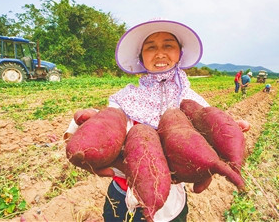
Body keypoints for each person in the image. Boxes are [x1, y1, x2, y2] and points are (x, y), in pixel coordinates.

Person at [64, 19, 211, 222]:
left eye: (168, 45)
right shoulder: (124, 99)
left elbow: (206, 140)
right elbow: (104, 128)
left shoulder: (192, 102)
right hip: (122, 195)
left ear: (180, 53)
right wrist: (83, 130)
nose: (160, 53)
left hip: (171, 201)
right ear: (141, 56)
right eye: (151, 47)